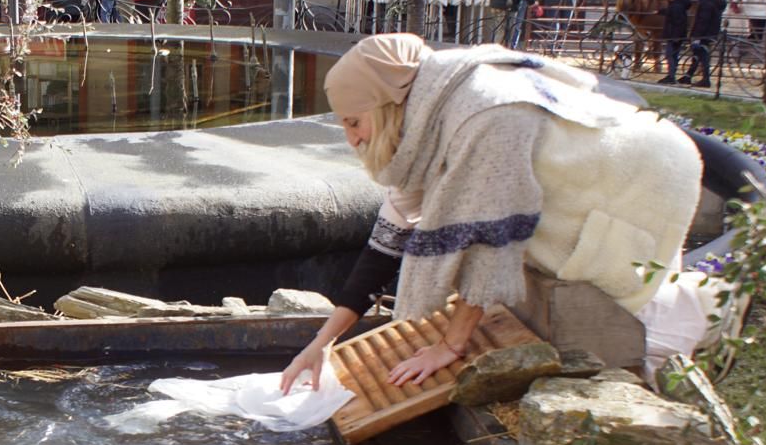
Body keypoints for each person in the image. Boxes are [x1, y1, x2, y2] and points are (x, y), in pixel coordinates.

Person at [280, 34, 708, 396]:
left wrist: (450, 346)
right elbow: (387, 243)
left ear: (386, 104)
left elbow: (491, 244)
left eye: (355, 122)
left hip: (647, 178)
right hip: (617, 169)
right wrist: (322, 342)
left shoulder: (484, 115)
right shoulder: (430, 113)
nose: (353, 138)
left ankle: (710, 315)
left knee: (621, 289)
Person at [681, 0, 727, 89]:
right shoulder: (715, 0)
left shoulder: (706, 2)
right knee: (698, 54)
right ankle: (688, 75)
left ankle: (706, 79)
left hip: (704, 33)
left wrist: (696, 36)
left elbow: (702, 20)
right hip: (711, 31)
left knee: (703, 54)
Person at [657, 0, 693, 84]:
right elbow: (671, 11)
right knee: (673, 55)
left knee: (670, 55)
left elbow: (677, 20)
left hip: (674, 35)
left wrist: (675, 36)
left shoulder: (676, 6)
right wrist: (660, 12)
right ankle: (671, 75)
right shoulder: (678, 3)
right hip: (677, 35)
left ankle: (671, 76)